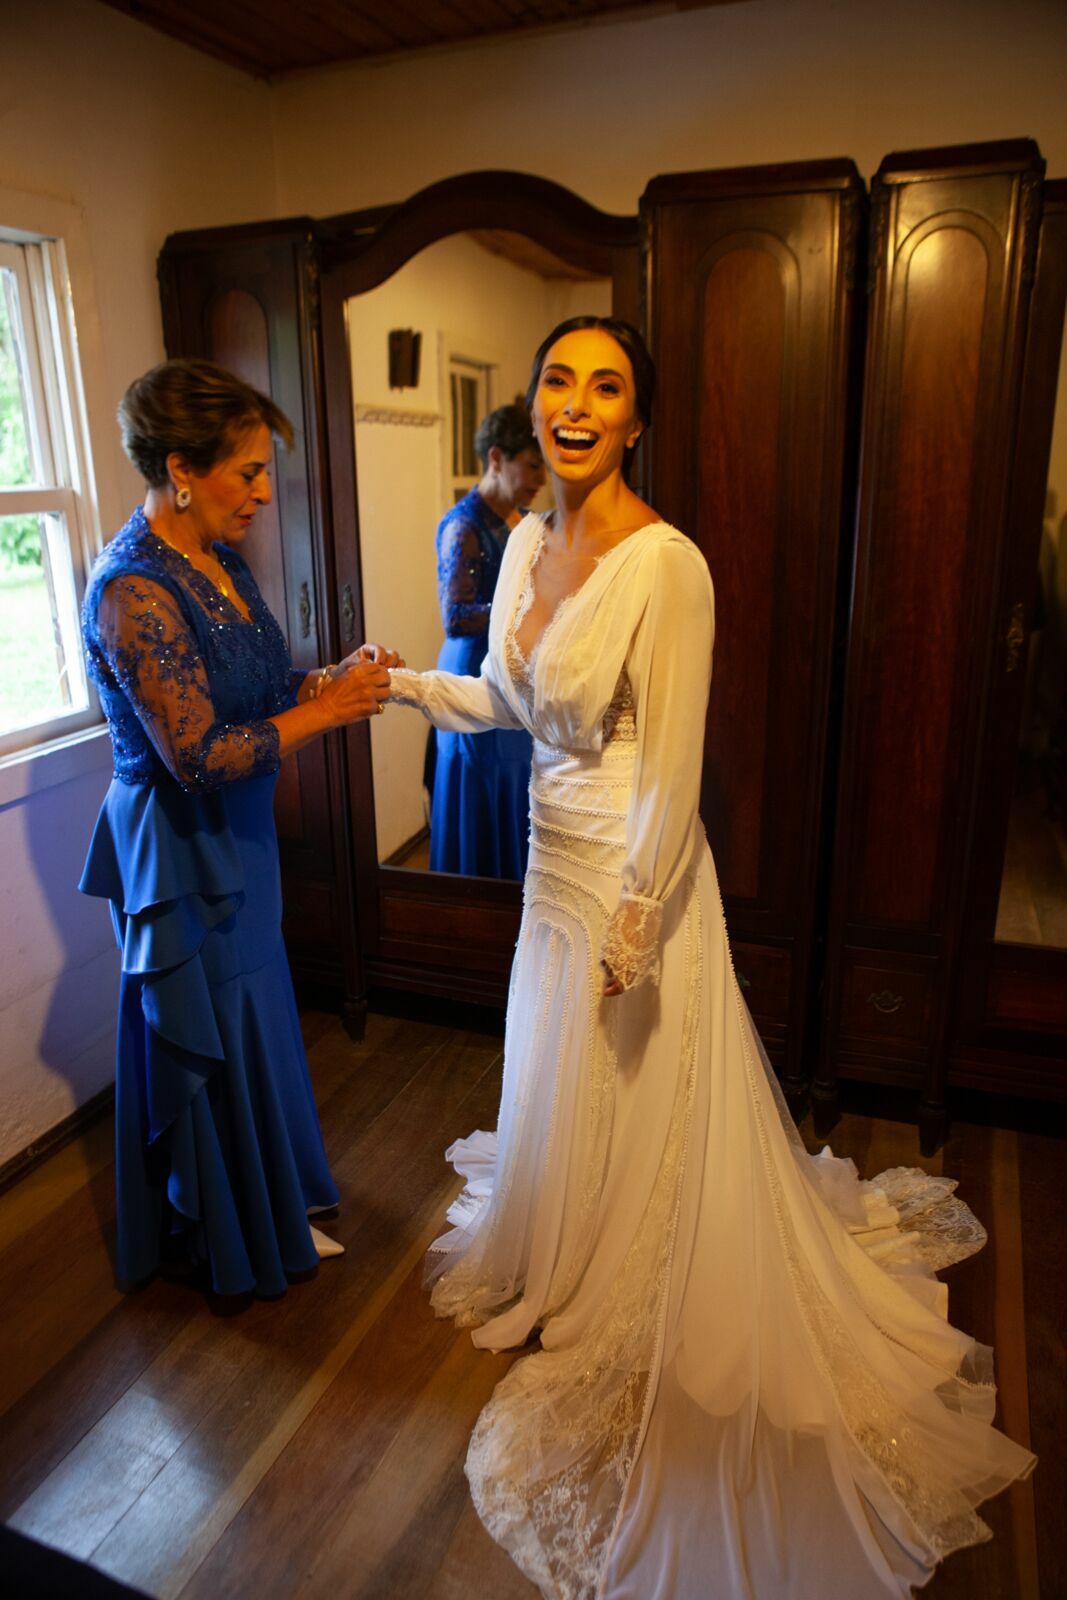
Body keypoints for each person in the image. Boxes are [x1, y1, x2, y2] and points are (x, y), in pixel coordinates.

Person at [387, 317, 1035, 1597]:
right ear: (535, 401)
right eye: (558, 380)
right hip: (547, 868)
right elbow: (511, 704)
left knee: (641, 1095)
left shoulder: (666, 564)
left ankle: (638, 1269)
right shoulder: (520, 542)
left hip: (632, 880)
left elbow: (670, 770)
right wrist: (404, 683)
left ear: (637, 420)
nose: (576, 404)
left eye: (606, 387)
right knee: (564, 1086)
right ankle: (567, 1251)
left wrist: (637, 924)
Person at [80, 359, 399, 1298]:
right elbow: (195, 754)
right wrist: (326, 714)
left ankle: (268, 1201)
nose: (263, 493)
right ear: (181, 470)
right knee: (215, 1023)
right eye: (248, 472)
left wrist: (329, 679)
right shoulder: (132, 593)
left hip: (239, 832)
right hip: (181, 844)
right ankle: (234, 1231)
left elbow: (255, 691)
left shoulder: (218, 559)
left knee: (254, 1011)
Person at [429, 403, 544, 878]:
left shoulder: (525, 519)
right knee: (486, 780)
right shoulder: (464, 525)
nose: (542, 478)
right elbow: (456, 617)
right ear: (497, 458)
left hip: (513, 670)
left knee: (516, 779)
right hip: (473, 668)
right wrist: (533, 610)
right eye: (532, 465)